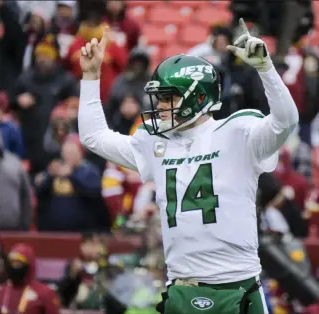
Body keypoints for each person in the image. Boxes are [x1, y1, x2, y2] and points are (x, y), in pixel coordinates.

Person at [78, 18, 298, 314]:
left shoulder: (237, 132)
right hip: (181, 288)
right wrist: (90, 78)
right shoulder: (155, 142)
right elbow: (94, 138)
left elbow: (286, 121)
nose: (160, 107)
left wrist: (265, 69)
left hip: (237, 285)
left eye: (169, 98)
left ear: (199, 97)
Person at [0, 243, 60, 314]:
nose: (13, 266)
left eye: (18, 263)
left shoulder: (45, 293)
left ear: (29, 265)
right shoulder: (2, 291)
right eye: (11, 262)